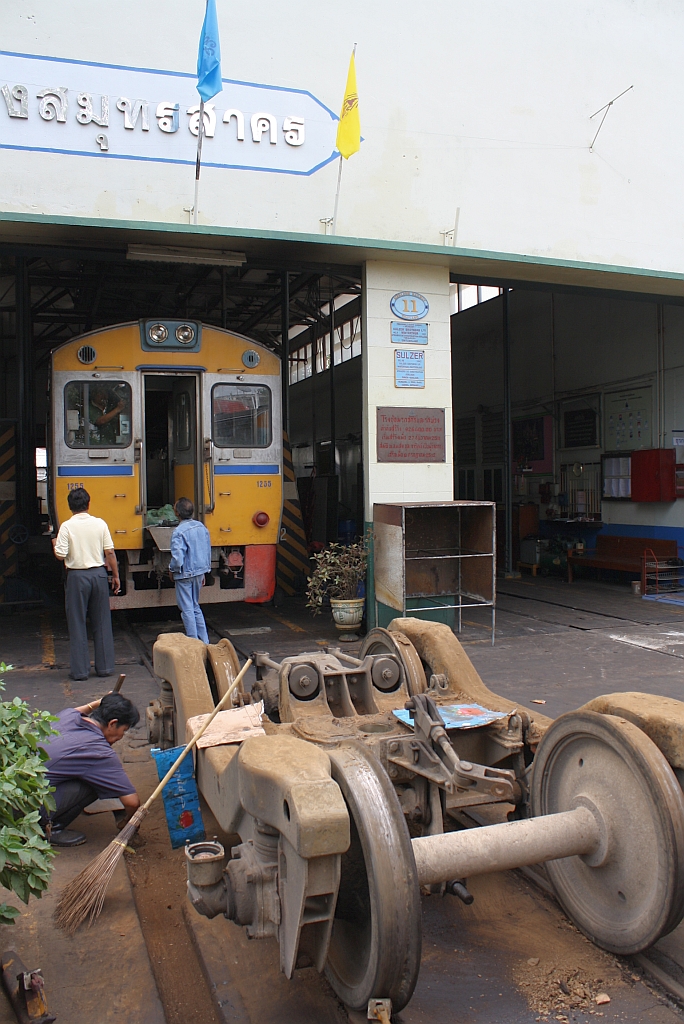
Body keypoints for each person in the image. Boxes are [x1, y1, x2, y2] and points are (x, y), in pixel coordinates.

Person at [39, 692, 141, 848]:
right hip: (26, 810)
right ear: (113, 723)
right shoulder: (97, 750)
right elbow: (132, 802)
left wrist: (99, 702)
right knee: (96, 782)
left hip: (10, 795)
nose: (122, 736)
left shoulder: (68, 716)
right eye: (124, 730)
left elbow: (82, 709)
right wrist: (128, 823)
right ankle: (50, 828)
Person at [53, 487, 120, 681]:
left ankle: (81, 671)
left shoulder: (66, 527)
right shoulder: (100, 524)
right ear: (88, 504)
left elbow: (60, 555)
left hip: (77, 577)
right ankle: (105, 668)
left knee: (77, 623)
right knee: (102, 622)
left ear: (70, 506)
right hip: (99, 575)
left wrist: (55, 544)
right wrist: (115, 576)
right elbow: (110, 553)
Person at [169, 497, 211, 643]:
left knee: (186, 608)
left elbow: (178, 559)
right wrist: (205, 570)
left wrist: (172, 569)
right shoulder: (201, 527)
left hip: (184, 574)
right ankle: (204, 641)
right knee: (195, 606)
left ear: (177, 513)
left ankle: (193, 642)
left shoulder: (179, 532)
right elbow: (207, 550)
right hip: (199, 572)